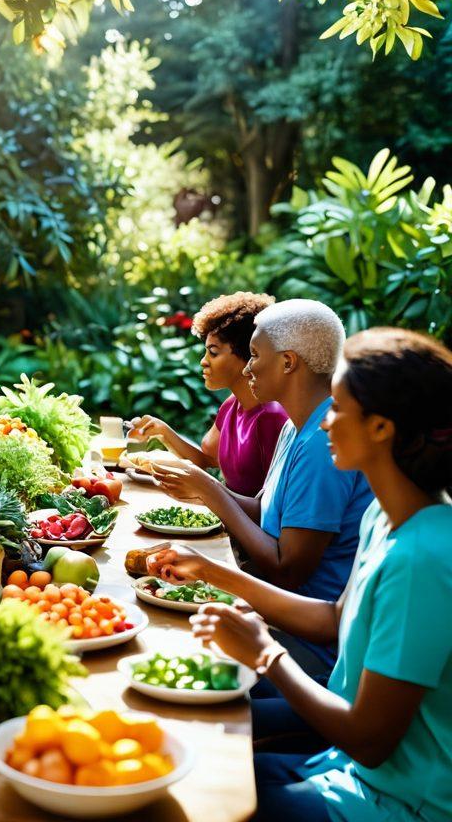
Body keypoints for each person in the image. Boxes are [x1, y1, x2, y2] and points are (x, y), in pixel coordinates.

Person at [150, 327, 452, 821]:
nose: (326, 422)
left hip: (394, 801)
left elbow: (370, 740)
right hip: (346, 764)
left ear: (381, 428)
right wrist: (214, 574)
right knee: (191, 746)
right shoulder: (385, 515)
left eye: (338, 409)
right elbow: (336, 618)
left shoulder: (425, 558)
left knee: (196, 799)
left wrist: (266, 654)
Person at [152, 299, 372, 669]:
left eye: (254, 354)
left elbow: (287, 570)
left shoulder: (324, 441)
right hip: (272, 612)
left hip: (306, 639)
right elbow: (262, 508)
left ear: (288, 362)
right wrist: (203, 488)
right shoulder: (294, 425)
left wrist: (209, 490)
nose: (248, 367)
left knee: (172, 652)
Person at [129, 292, 287, 496]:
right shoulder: (232, 405)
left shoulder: (270, 417)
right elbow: (207, 460)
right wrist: (164, 432)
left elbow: (269, 506)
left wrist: (205, 491)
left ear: (248, 354)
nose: (203, 361)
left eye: (213, 352)